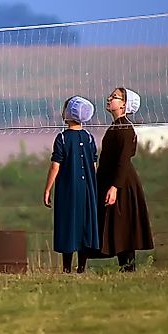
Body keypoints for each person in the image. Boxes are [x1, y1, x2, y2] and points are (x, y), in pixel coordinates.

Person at [97, 88, 153, 271]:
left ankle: (129, 267)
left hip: (122, 183)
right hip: (113, 181)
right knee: (118, 224)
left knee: (124, 224)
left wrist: (115, 187)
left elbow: (123, 160)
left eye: (114, 97)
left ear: (124, 104)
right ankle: (125, 266)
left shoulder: (125, 128)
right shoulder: (115, 126)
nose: (109, 99)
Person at [43, 96, 100, 273]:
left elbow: (55, 165)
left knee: (68, 224)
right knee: (84, 224)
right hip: (87, 189)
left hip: (68, 189)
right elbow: (93, 165)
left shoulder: (62, 138)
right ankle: (81, 267)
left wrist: (47, 189)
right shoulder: (90, 138)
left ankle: (67, 267)